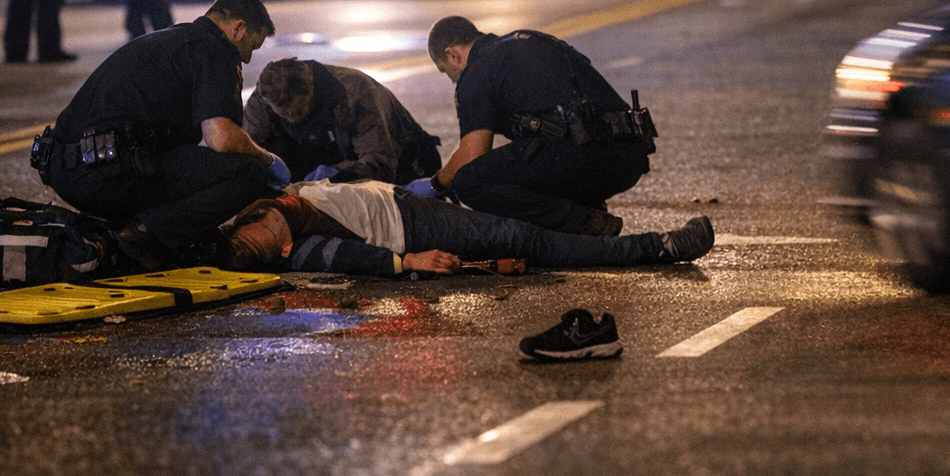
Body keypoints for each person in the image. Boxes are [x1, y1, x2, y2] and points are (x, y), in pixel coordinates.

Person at [32, 0, 286, 270]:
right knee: (248, 173)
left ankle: (141, 229)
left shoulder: (169, 40)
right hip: (104, 176)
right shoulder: (215, 49)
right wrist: (268, 159)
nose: (248, 59)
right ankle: (144, 236)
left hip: (68, 172)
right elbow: (221, 137)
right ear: (238, 28)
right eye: (252, 46)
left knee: (185, 161)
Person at [421, 16, 656, 236]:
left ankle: (582, 223)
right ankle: (588, 209)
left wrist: (435, 184)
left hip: (588, 159)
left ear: (452, 55)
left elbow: (471, 156)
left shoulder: (476, 73)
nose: (452, 80)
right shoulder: (531, 38)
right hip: (630, 157)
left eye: (446, 72)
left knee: (470, 181)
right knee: (535, 148)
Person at [223, 178, 713, 277]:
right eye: (266, 245)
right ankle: (658, 248)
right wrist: (405, 262)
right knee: (524, 240)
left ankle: (606, 238)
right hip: (409, 227)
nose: (269, 230)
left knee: (523, 230)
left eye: (258, 229)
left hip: (401, 201)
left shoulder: (256, 207)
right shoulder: (301, 250)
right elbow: (352, 257)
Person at [243, 58, 442, 184]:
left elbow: (379, 164)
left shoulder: (354, 93)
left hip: (406, 165)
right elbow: (245, 153)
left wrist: (336, 175)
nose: (294, 119)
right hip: (327, 162)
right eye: (285, 115)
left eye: (300, 110)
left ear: (311, 86)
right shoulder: (263, 100)